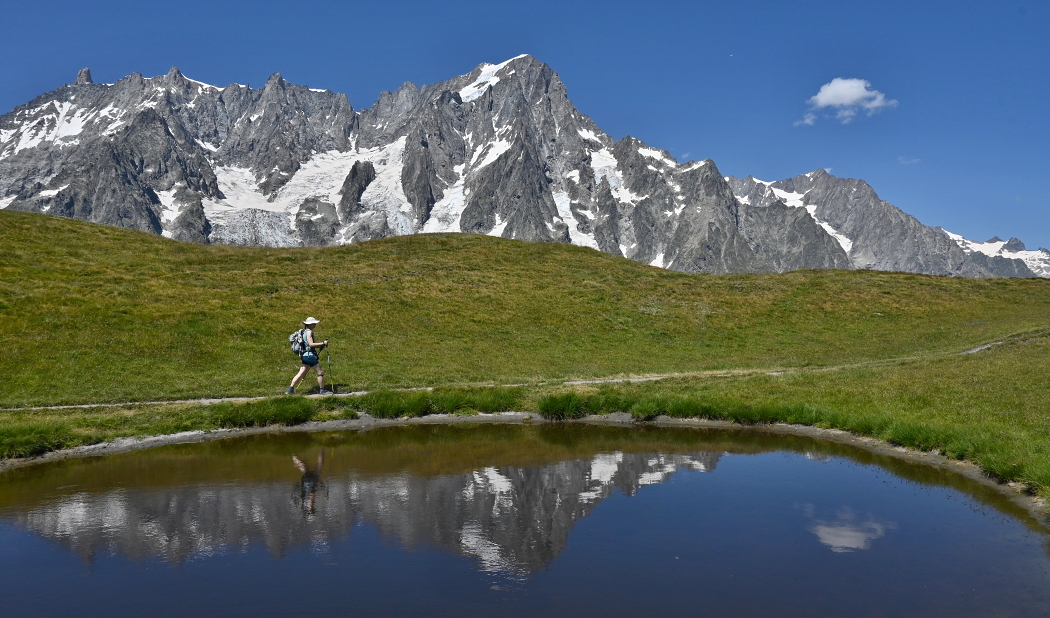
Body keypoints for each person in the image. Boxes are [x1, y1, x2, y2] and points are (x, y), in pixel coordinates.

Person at [287, 317, 331, 395]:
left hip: (304, 355)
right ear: (311, 324)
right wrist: (323, 343)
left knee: (301, 373)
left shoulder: (303, 332)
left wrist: (320, 345)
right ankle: (322, 390)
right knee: (320, 371)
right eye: (314, 323)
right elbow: (311, 344)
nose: (315, 324)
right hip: (310, 356)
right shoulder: (309, 332)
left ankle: (290, 390)